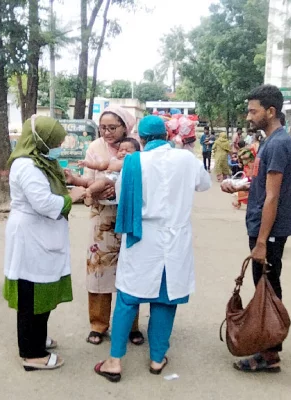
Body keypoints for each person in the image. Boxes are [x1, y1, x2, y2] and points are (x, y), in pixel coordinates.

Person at [93, 115, 211, 382]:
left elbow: (122, 195)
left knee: (127, 299)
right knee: (165, 301)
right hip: (175, 239)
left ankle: (114, 361)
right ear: (167, 136)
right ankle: (157, 359)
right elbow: (204, 184)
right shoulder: (186, 159)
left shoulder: (133, 162)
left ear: (142, 140)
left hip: (142, 239)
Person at [221, 84, 291, 372]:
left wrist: (262, 241)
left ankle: (269, 352)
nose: (249, 116)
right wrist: (241, 187)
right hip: (262, 225)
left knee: (267, 286)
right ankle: (268, 344)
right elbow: (265, 186)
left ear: (271, 111)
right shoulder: (270, 141)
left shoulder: (277, 143)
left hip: (270, 230)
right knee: (264, 284)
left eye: (253, 110)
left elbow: (274, 196)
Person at [4, 115, 87, 371]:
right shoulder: (27, 166)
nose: (59, 145)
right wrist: (73, 196)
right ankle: (31, 353)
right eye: (56, 141)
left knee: (42, 290)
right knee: (32, 293)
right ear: (42, 140)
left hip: (42, 234)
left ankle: (37, 338)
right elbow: (43, 203)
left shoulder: (42, 161)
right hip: (32, 235)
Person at [65, 105, 145, 346]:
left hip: (128, 215)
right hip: (102, 216)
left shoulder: (136, 147)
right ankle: (98, 324)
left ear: (125, 127)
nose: (107, 133)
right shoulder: (95, 147)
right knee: (99, 270)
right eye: (103, 128)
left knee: (130, 270)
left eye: (113, 128)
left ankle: (131, 325)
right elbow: (88, 177)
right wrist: (95, 189)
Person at [79, 137, 140, 205]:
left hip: (115, 185)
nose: (123, 153)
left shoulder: (134, 163)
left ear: (137, 153)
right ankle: (76, 182)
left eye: (127, 151)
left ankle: (89, 190)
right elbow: (100, 165)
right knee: (90, 182)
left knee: (104, 181)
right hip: (104, 187)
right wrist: (87, 164)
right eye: (120, 150)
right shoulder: (113, 160)